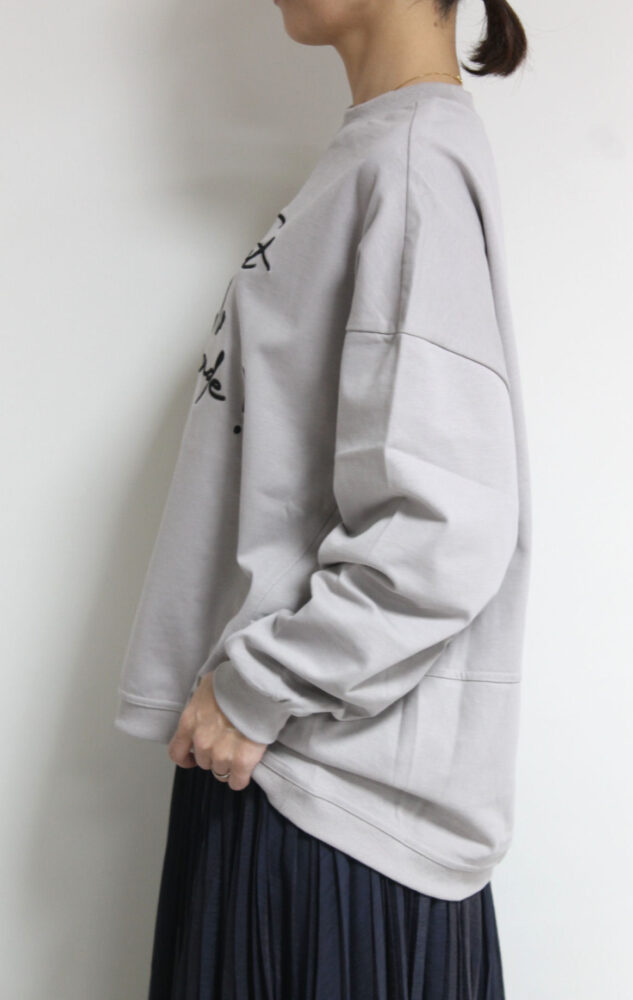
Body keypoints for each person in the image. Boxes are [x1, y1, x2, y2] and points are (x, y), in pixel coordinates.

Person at [114, 1, 532, 997]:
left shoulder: (411, 165)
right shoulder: (378, 154)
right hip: (287, 775)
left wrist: (257, 688)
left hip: (327, 810)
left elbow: (443, 526)